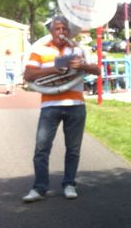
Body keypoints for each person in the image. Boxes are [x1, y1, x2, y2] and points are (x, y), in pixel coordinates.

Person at [22, 17, 101, 202]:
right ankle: (39, 188)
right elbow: (28, 74)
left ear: (68, 31)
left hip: (75, 105)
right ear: (51, 31)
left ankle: (69, 184)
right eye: (57, 28)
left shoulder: (77, 49)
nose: (61, 32)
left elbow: (97, 71)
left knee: (73, 149)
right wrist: (53, 70)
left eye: (64, 29)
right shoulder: (40, 50)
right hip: (50, 105)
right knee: (41, 148)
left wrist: (82, 65)